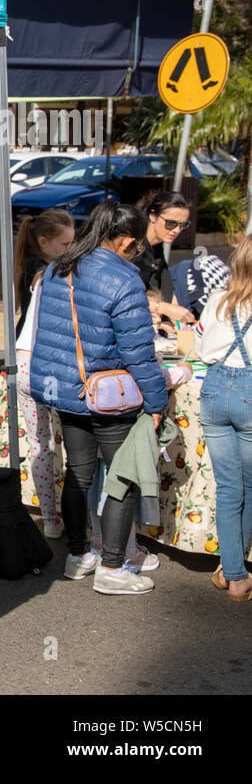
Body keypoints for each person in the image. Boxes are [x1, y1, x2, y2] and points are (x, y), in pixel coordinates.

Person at [31, 200, 168, 595]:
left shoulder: (59, 267)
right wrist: (156, 403)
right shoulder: (124, 281)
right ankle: (112, 567)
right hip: (109, 395)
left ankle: (78, 556)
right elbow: (139, 353)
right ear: (126, 240)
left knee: (78, 472)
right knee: (121, 477)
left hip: (67, 390)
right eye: (137, 244)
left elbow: (49, 334)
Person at [194, 234, 252, 600]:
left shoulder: (217, 299)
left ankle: (231, 570)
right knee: (249, 486)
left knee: (230, 488)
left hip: (214, 390)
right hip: (249, 393)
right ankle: (236, 571)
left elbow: (200, 346)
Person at [14, 210, 75, 538]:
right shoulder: (53, 274)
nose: (71, 247)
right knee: (76, 445)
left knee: (39, 444)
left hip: (23, 362)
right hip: (48, 365)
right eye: (65, 242)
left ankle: (51, 519)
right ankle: (78, 519)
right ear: (44, 242)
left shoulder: (31, 267)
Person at [132, 191, 195, 326]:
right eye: (171, 223)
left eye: (183, 225)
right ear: (153, 216)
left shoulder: (156, 247)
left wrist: (181, 326)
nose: (177, 230)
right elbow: (120, 294)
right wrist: (162, 308)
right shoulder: (132, 246)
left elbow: (166, 289)